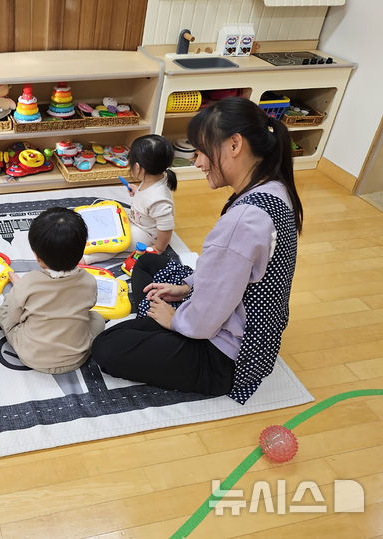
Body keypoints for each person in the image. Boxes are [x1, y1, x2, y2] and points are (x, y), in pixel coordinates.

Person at [91, 97, 303, 404]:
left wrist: (175, 321)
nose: (197, 161)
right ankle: (156, 314)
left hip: (226, 358)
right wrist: (186, 287)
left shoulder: (243, 221)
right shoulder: (274, 189)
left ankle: (154, 318)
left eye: (201, 151)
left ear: (234, 145)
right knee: (149, 263)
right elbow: (231, 276)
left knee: (107, 346)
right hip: (250, 332)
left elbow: (204, 323)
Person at [0, 207, 106, 374]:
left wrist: (19, 288)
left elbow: (13, 317)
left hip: (32, 356)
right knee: (97, 318)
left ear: (38, 257)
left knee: (6, 313)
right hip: (76, 358)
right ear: (82, 251)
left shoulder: (29, 282)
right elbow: (89, 307)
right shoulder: (89, 281)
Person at [83, 134, 178, 265]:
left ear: (138, 167)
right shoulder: (158, 175)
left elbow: (166, 227)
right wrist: (138, 191)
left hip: (146, 234)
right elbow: (148, 193)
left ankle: (85, 258)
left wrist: (158, 248)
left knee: (117, 242)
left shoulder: (158, 199)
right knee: (109, 212)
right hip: (138, 218)